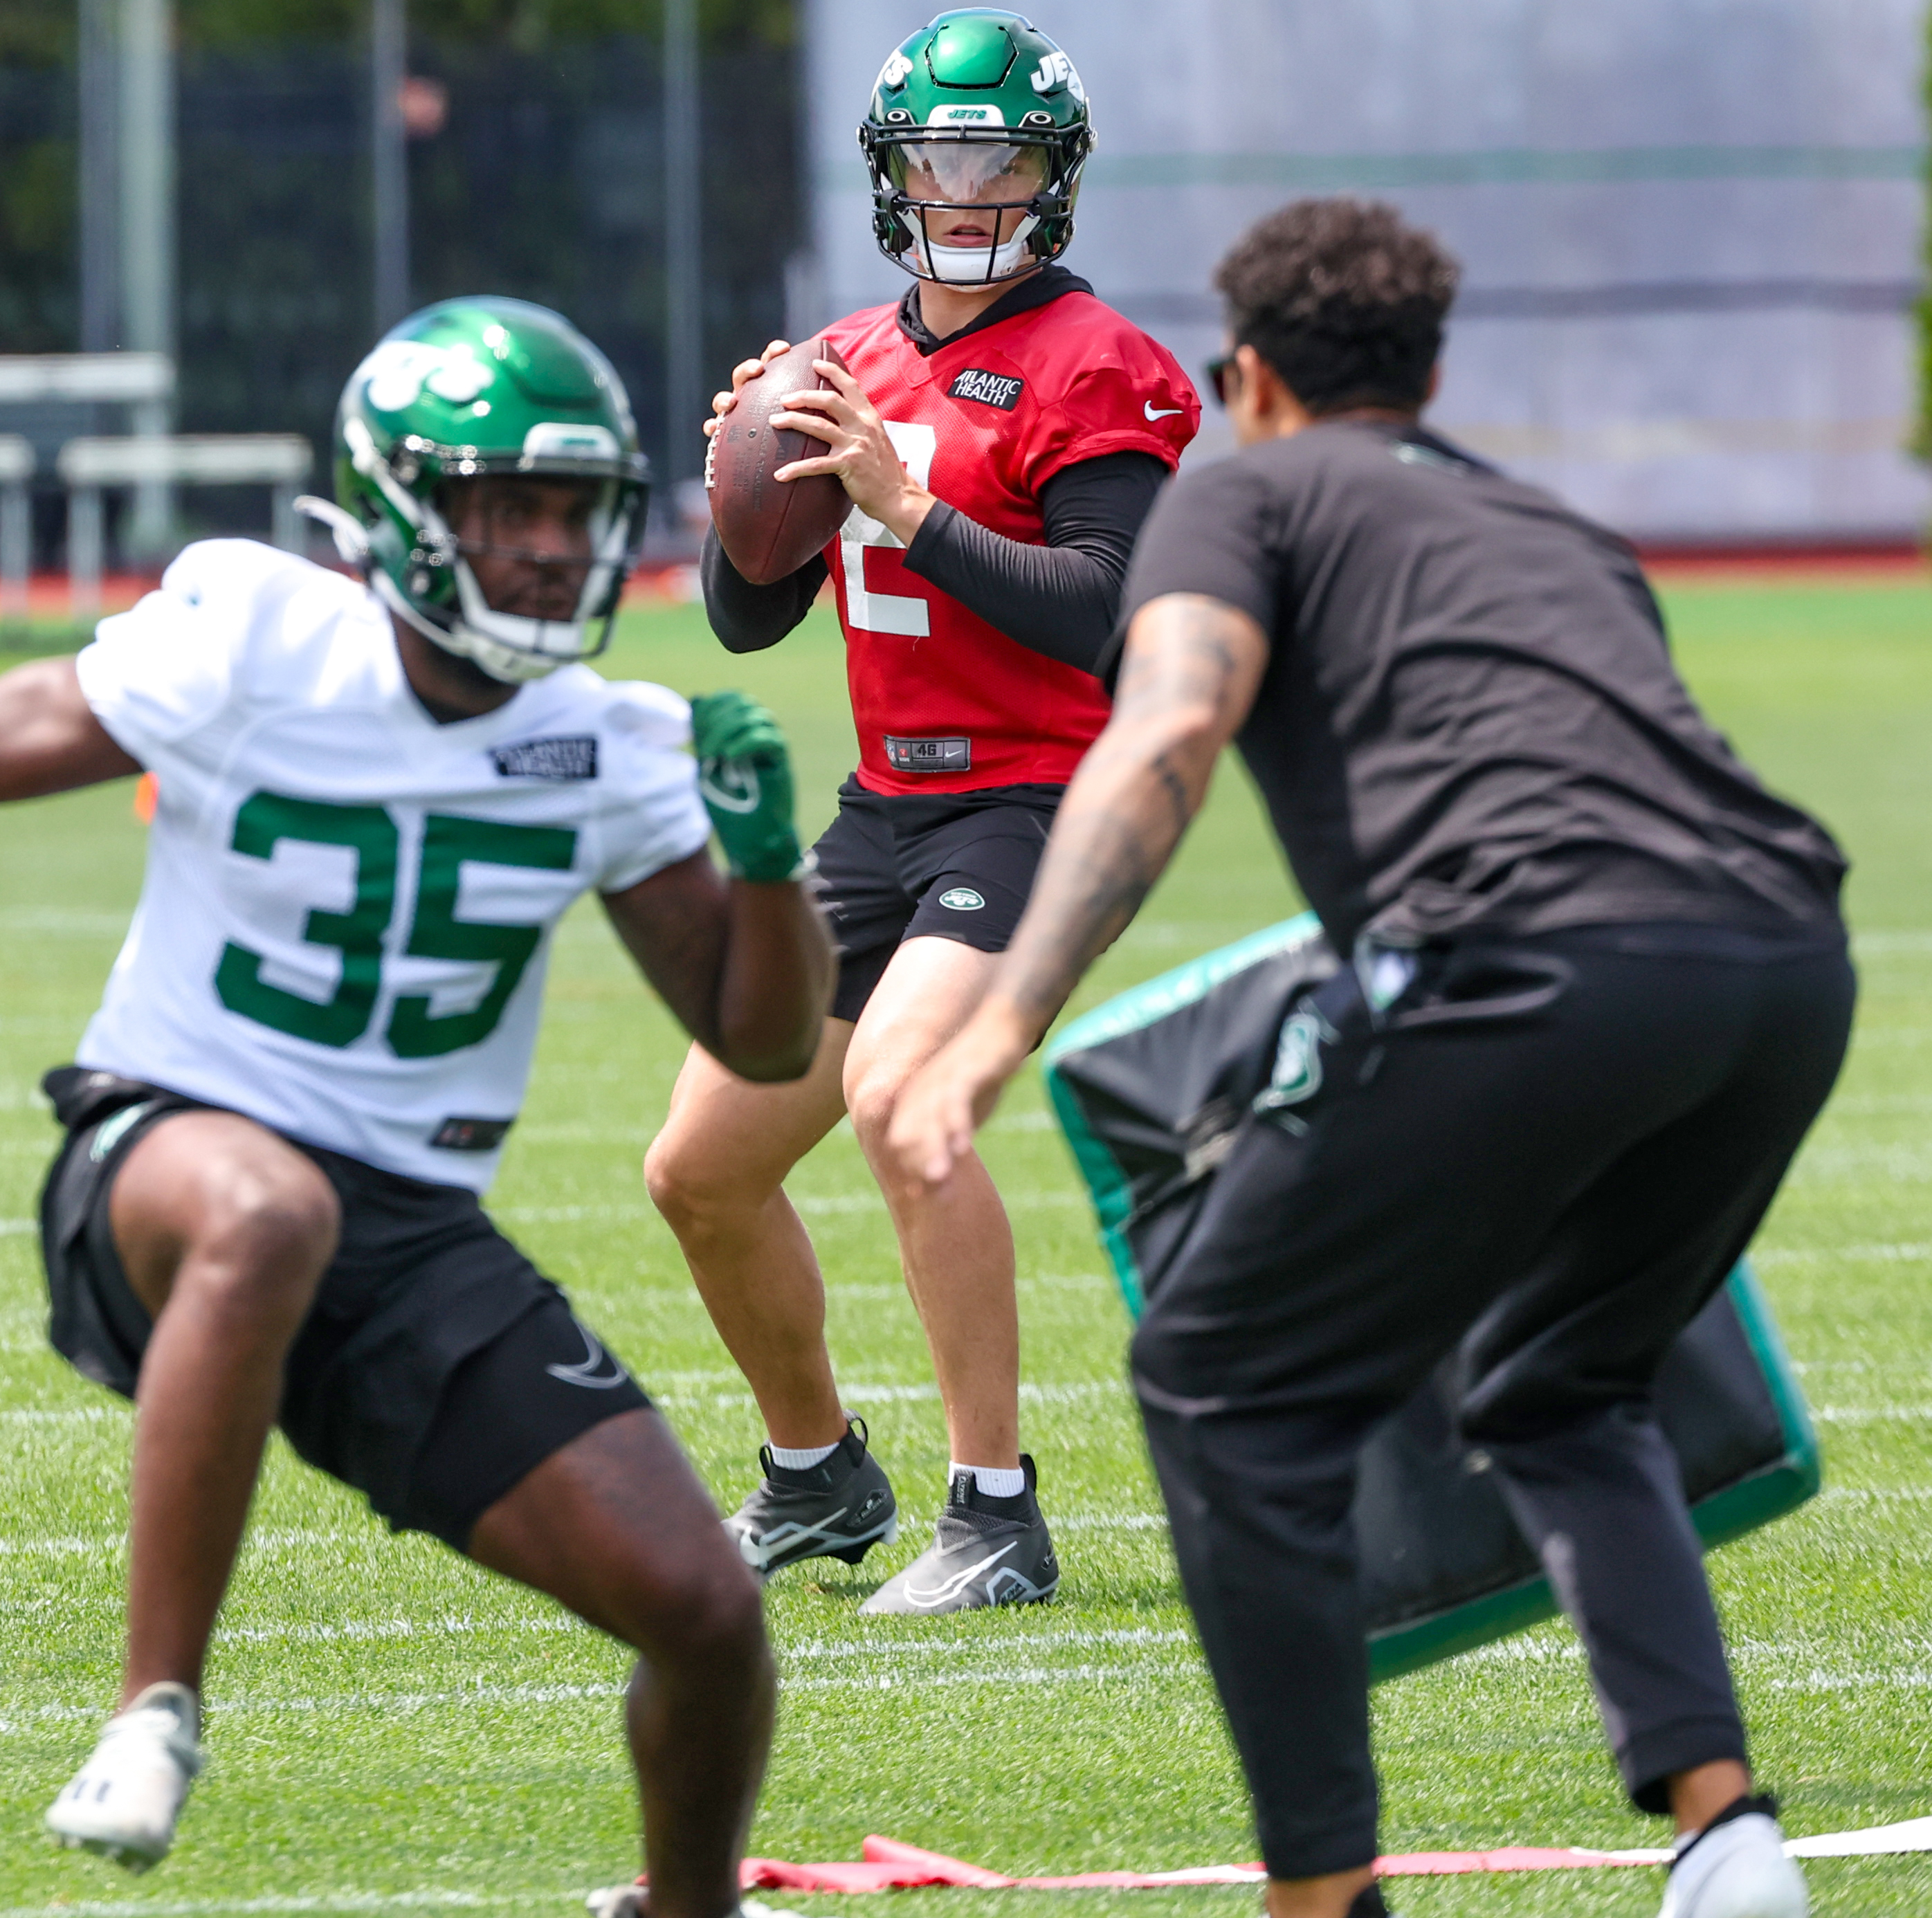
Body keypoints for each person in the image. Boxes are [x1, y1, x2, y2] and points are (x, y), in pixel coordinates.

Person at [0, 297, 835, 1909]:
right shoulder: (255, 634)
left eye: (575, 512)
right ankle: (154, 1709)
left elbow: (761, 1045)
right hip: (165, 1147)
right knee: (268, 1209)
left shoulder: (606, 741)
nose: (556, 551)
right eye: (511, 510)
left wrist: (764, 870)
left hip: (411, 1236)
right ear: (408, 512)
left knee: (704, 1612)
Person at [888, 199, 1845, 1918]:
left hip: (1537, 957)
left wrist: (1001, 1020)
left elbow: (1169, 719)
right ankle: (1726, 1837)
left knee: (1214, 1379)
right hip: (1781, 961)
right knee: (1559, 1382)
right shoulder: (1550, 520)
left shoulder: (1242, 487)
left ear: (1244, 378)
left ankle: (1320, 1894)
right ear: (1428, 374)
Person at [642, 6, 1199, 1614]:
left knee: (904, 1104)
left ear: (1054, 170)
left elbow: (1106, 612)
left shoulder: (1103, 367)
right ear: (891, 172)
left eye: (1001, 151)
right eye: (938, 154)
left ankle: (994, 1512)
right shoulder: (850, 359)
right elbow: (749, 623)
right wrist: (746, 506)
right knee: (699, 1168)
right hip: (879, 817)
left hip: (1038, 810)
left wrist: (906, 502)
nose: (968, 185)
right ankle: (819, 1478)